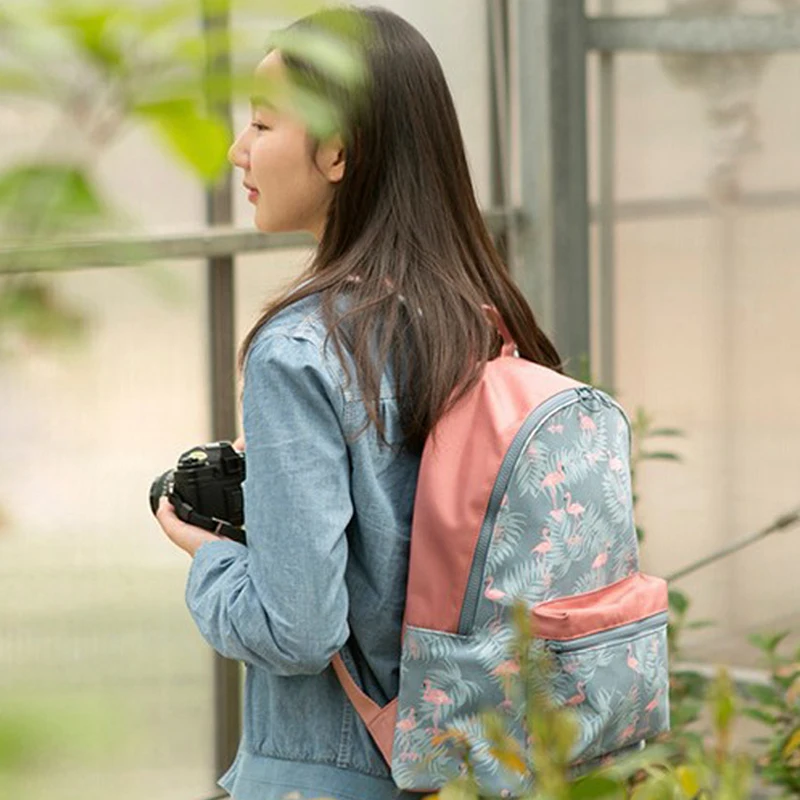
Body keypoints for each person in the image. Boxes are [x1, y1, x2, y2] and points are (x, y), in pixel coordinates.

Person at [155, 6, 563, 800]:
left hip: (328, 774)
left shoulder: (300, 351)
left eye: (263, 124)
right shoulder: (480, 317)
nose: (239, 152)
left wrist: (207, 554)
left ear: (338, 150)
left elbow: (297, 627)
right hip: (475, 765)